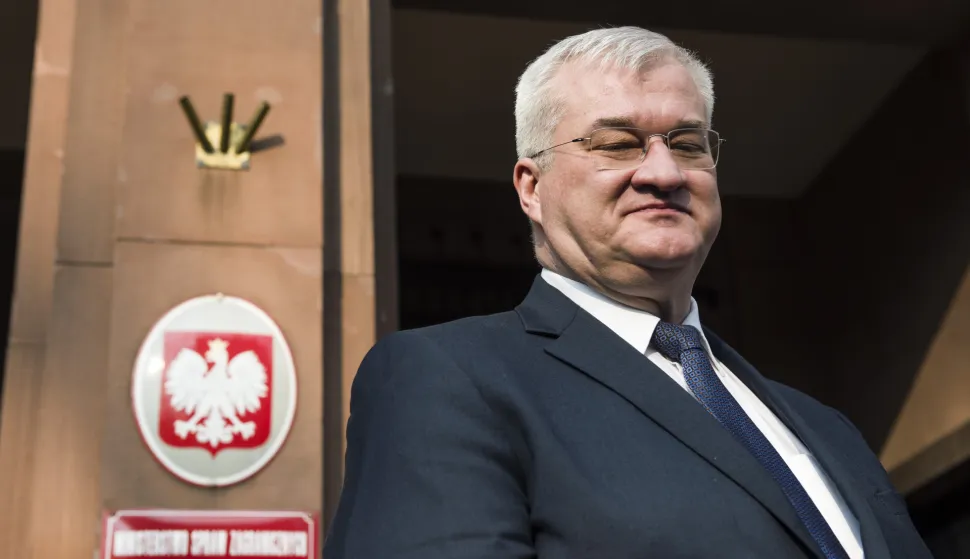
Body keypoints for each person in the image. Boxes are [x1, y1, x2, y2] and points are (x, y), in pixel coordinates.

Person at [323, 26, 932, 559]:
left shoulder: (824, 427)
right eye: (616, 144)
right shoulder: (447, 381)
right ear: (531, 187)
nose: (664, 174)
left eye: (689, 144)